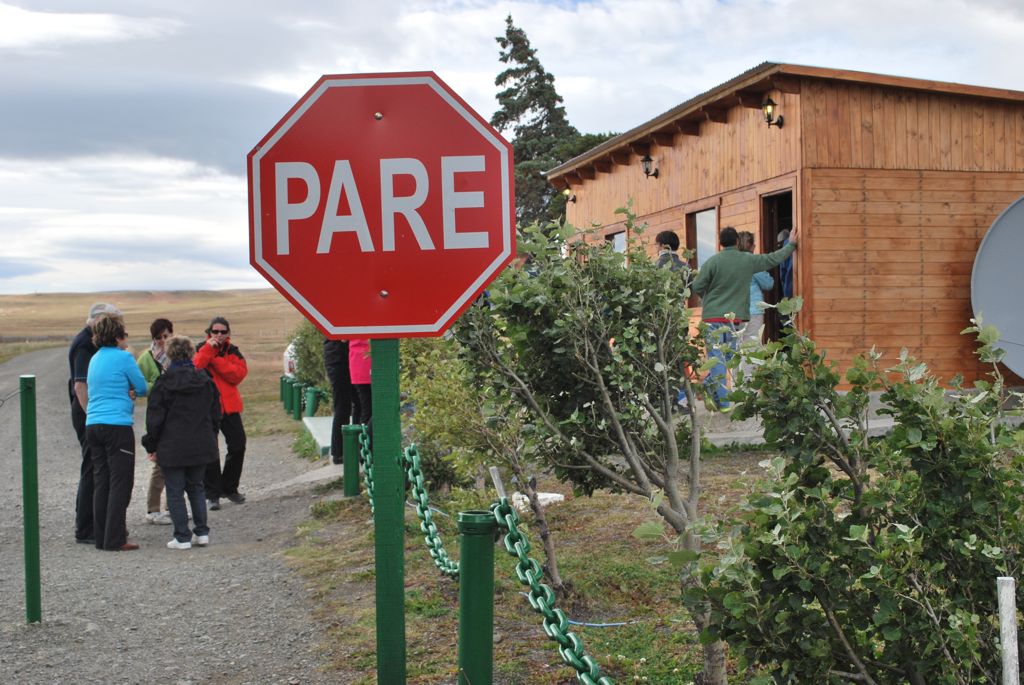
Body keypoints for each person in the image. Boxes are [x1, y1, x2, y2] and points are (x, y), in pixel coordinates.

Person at [691, 224, 799, 409]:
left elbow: (697, 286)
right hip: (735, 319)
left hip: (712, 318)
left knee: (717, 357)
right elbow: (772, 259)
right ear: (735, 241)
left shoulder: (713, 262)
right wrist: (791, 245)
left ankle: (719, 396)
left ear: (721, 243)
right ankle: (723, 397)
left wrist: (708, 295)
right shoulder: (747, 261)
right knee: (732, 356)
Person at [143, 336, 221, 550]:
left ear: (169, 354)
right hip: (201, 442)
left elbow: (154, 419)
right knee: (197, 487)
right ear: (191, 353)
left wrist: (151, 445)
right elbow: (216, 413)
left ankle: (182, 536)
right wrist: (210, 435)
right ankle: (202, 532)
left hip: (172, 445)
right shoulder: (205, 380)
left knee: (175, 490)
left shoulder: (164, 383)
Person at [85, 313, 148, 551]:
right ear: (117, 335)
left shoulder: (94, 358)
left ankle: (101, 537)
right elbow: (141, 387)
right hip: (117, 425)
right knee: (121, 482)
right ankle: (115, 538)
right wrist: (131, 390)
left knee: (102, 480)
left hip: (93, 423)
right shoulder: (124, 358)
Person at [68, 302, 121, 544]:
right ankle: (85, 528)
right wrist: (92, 415)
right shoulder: (84, 343)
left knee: (95, 467)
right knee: (92, 468)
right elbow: (80, 385)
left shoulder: (90, 340)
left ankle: (92, 525)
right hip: (89, 413)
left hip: (92, 413)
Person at [194, 316, 248, 510]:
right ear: (209, 332)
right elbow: (195, 367)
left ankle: (230, 488)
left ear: (228, 333)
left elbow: (238, 375)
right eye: (215, 331)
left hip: (230, 406)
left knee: (238, 444)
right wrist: (209, 350)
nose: (219, 335)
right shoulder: (201, 348)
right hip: (207, 407)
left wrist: (215, 361)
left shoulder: (233, 351)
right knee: (211, 450)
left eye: (223, 331)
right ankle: (212, 494)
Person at [136, 318, 174, 525]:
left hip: (175, 415)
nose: (162, 341)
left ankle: (172, 506)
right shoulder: (146, 358)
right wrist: (156, 384)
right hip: (158, 415)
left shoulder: (176, 354)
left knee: (176, 463)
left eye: (166, 336)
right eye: (158, 337)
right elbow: (139, 386)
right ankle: (152, 509)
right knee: (160, 465)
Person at [737, 231, 774, 377]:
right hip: (753, 311)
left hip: (734, 311)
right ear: (752, 246)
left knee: (737, 348)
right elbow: (768, 283)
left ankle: (736, 385)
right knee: (751, 348)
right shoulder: (752, 261)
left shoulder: (730, 261)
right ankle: (749, 386)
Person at [323, 338, 352, 465]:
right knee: (343, 407)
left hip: (339, 358)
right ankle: (338, 452)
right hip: (339, 360)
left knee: (349, 406)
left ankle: (346, 450)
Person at [349, 339, 371, 426]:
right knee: (367, 409)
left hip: (357, 362)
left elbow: (343, 338)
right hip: (368, 362)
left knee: (362, 408)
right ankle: (363, 437)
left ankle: (358, 437)